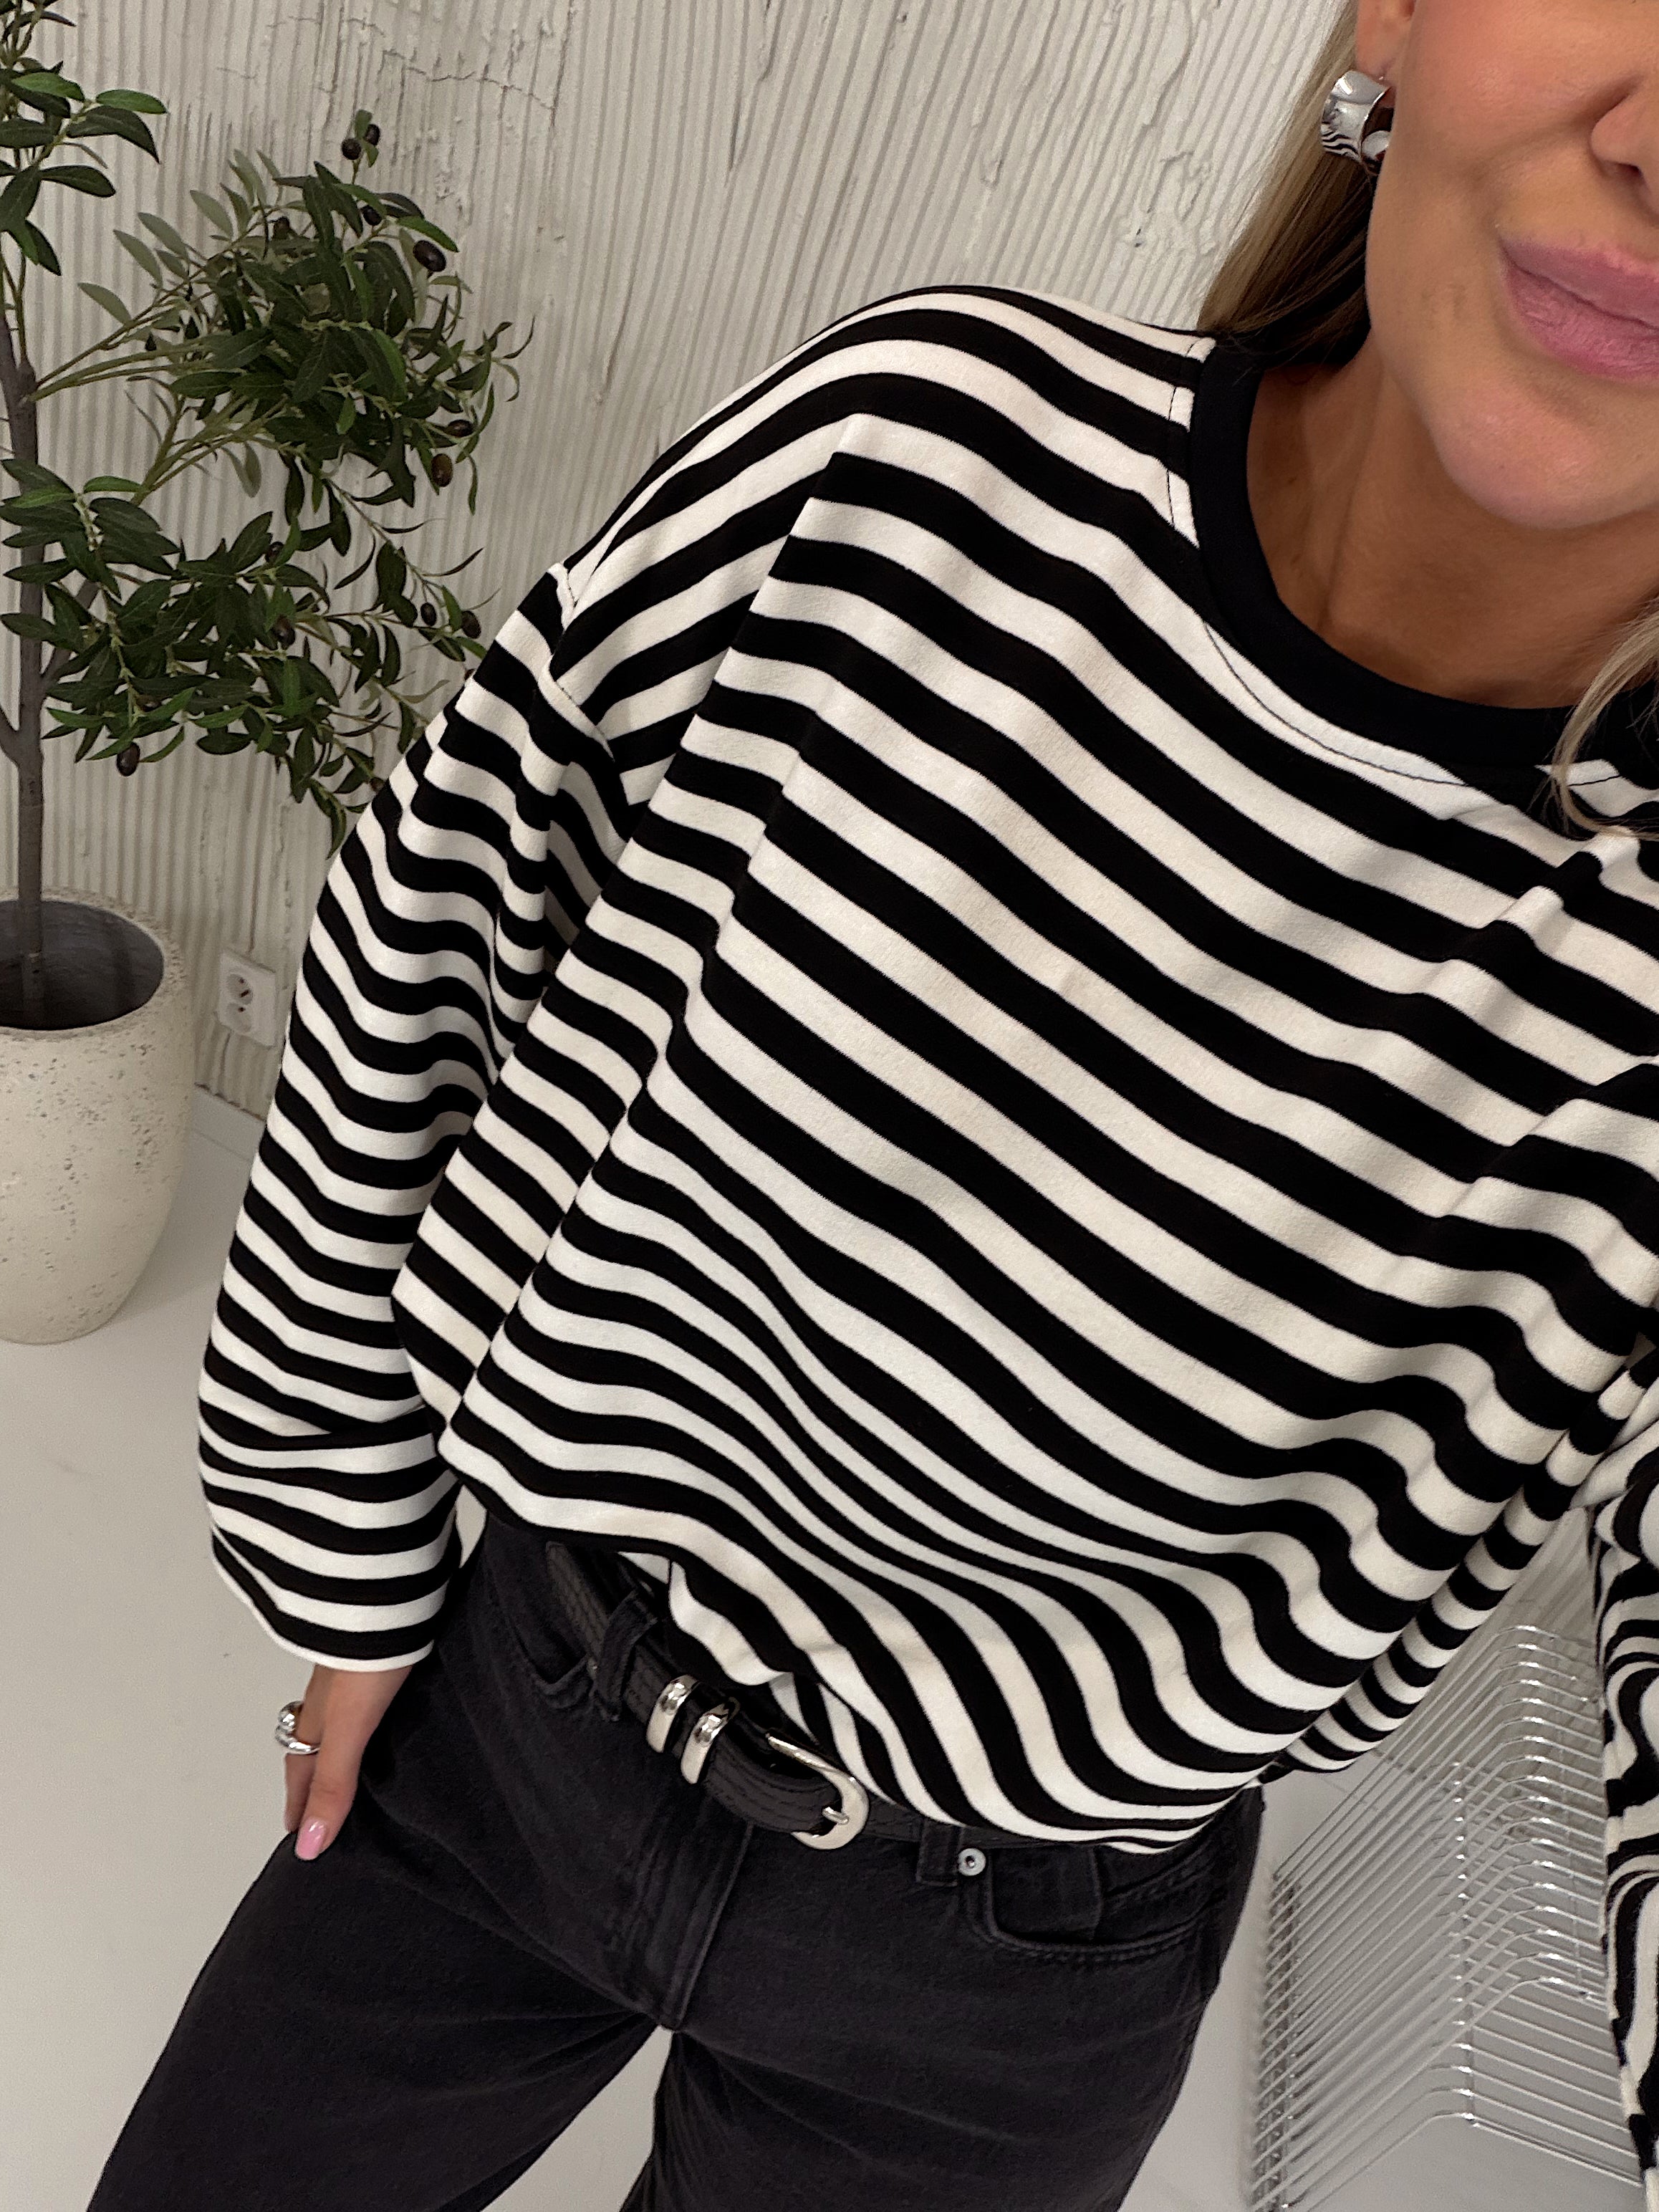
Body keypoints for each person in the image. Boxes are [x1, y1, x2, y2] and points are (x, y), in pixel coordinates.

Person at [87, 1, 1659, 2206]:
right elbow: (427, 938)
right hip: (512, 1713)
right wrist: (344, 1558)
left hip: (1017, 1974)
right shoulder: (917, 454)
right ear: (1393, 15)